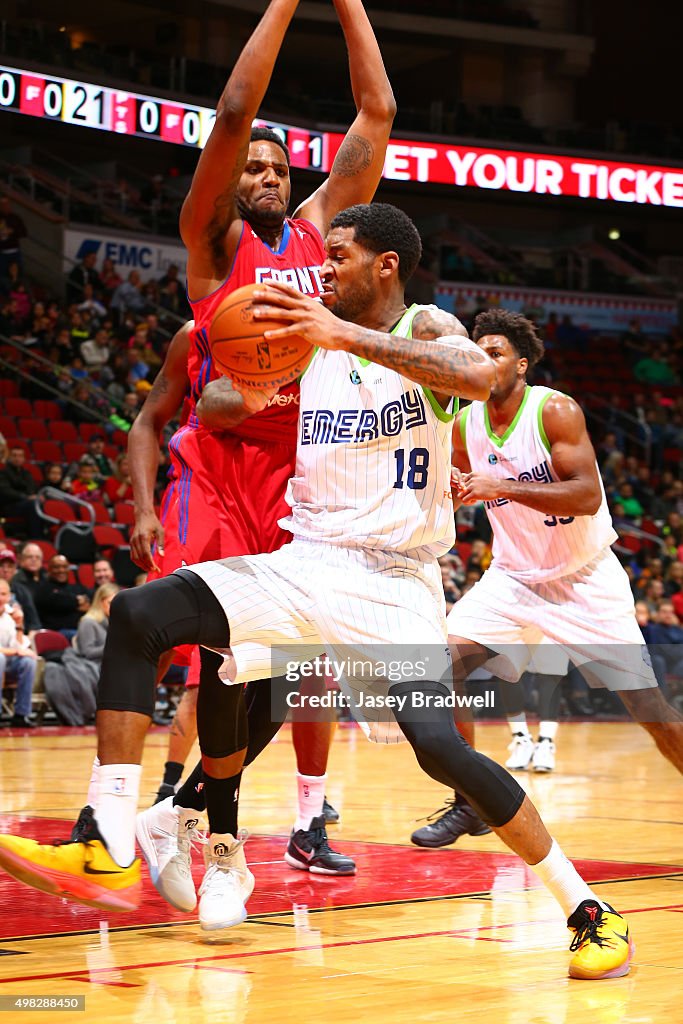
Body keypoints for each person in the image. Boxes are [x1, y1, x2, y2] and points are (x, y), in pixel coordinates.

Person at [0, 205, 634, 981]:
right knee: (140, 612)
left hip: (395, 582)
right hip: (305, 560)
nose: (322, 271)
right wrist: (247, 373)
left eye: (337, 257)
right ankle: (108, 837)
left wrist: (336, 336)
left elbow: (477, 376)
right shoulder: (311, 340)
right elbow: (222, 404)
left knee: (439, 749)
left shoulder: (429, 326)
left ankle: (586, 908)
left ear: (385, 266)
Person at [130, 0, 395, 886]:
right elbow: (237, 109)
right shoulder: (214, 240)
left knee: (293, 670)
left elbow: (377, 116)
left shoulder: (322, 234)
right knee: (225, 659)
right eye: (251, 168)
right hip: (228, 468)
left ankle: (191, 814)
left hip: (306, 474)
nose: (266, 175)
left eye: (279, 168)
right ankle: (169, 816)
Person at [412, 308, 683, 851]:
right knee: (436, 671)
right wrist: (459, 487)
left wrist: (500, 486)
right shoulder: (465, 423)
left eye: (495, 352)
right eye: (477, 351)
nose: (483, 361)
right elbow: (465, 482)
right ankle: (474, 801)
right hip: (513, 579)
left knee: (649, 710)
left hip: (583, 580)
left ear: (523, 363)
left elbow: (585, 494)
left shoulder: (554, 410)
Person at [43, 583, 119, 727]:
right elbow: (87, 652)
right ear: (100, 602)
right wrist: (115, 647)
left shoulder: (112, 621)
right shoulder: (88, 622)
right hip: (90, 664)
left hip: (106, 664)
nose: (114, 607)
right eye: (110, 603)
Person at [0, 578, 37, 728]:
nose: (0, 598)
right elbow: (15, 650)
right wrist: (16, 651)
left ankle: (21, 715)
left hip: (7, 662)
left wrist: (19, 626)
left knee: (28, 662)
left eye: (3, 594)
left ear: (9, 597)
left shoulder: (10, 616)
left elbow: (20, 646)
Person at [34, 555, 91, 639]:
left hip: (79, 630)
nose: (61, 570)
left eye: (64, 567)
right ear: (49, 570)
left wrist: (66, 604)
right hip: (57, 633)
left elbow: (90, 602)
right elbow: (57, 602)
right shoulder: (43, 588)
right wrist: (77, 601)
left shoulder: (77, 587)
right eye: (56, 567)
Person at [0, 445, 39, 537]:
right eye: (14, 455)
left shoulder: (26, 473)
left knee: (42, 503)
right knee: (32, 505)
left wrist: (36, 496)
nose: (17, 458)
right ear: (9, 457)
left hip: (26, 503)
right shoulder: (3, 472)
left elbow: (32, 488)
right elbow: (5, 491)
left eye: (20, 456)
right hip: (9, 506)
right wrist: (26, 497)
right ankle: (36, 537)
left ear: (24, 458)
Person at [0, 547, 41, 634]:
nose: (5, 570)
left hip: (20, 636)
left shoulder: (22, 590)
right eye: (1, 566)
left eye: (10, 566)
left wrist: (30, 640)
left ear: (15, 570)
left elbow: (33, 623)